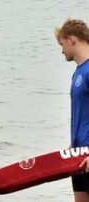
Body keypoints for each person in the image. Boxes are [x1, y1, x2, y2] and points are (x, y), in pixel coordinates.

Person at [55, 18, 89, 202]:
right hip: (78, 156)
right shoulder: (78, 72)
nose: (61, 50)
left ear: (72, 40)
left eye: (62, 44)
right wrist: (73, 145)